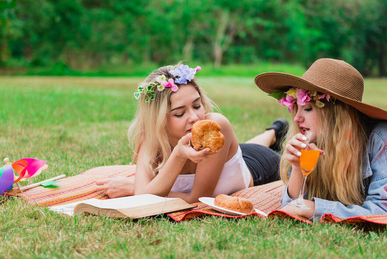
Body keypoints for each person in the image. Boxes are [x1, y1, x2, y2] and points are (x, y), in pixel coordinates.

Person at [254, 58, 387, 220]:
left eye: (308, 108)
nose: (297, 118)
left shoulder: (383, 137)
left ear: (335, 113)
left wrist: (315, 209)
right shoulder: (316, 138)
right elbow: (292, 206)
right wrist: (297, 167)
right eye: (296, 107)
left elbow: (386, 211)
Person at [96, 63, 288, 203]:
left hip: (261, 166)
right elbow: (144, 197)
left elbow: (197, 199)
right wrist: (177, 155)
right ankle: (272, 132)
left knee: (252, 150)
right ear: (158, 120)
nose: (195, 117)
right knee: (246, 146)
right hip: (234, 156)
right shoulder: (150, 137)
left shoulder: (214, 125)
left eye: (197, 105)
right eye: (179, 113)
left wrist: (134, 189)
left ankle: (273, 133)